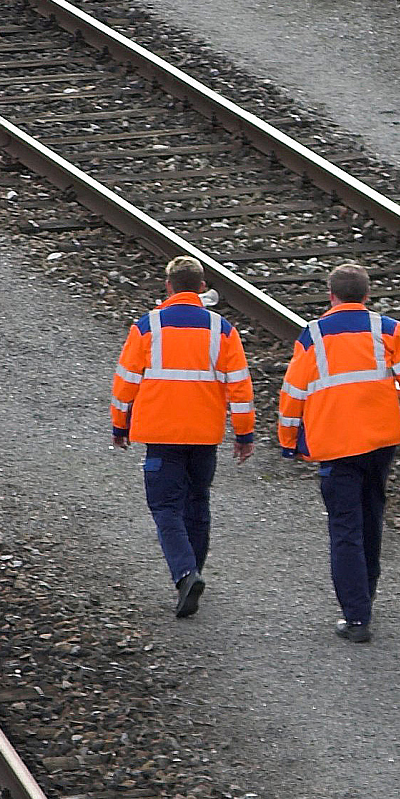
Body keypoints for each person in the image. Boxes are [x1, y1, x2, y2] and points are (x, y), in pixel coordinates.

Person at [277, 261, 400, 643]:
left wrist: (288, 439)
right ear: (366, 294)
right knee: (371, 517)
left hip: (335, 444)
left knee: (345, 527)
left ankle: (357, 617)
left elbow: (293, 391)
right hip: (380, 442)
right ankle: (367, 595)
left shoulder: (313, 335)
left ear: (331, 296)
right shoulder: (390, 330)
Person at [111, 255, 255, 618]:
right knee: (197, 502)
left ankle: (186, 574)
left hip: (161, 433)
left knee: (165, 507)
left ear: (168, 287)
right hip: (205, 434)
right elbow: (239, 386)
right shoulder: (222, 329)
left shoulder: (148, 326)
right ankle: (193, 574)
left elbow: (126, 380)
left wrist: (120, 423)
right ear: (202, 288)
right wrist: (244, 433)